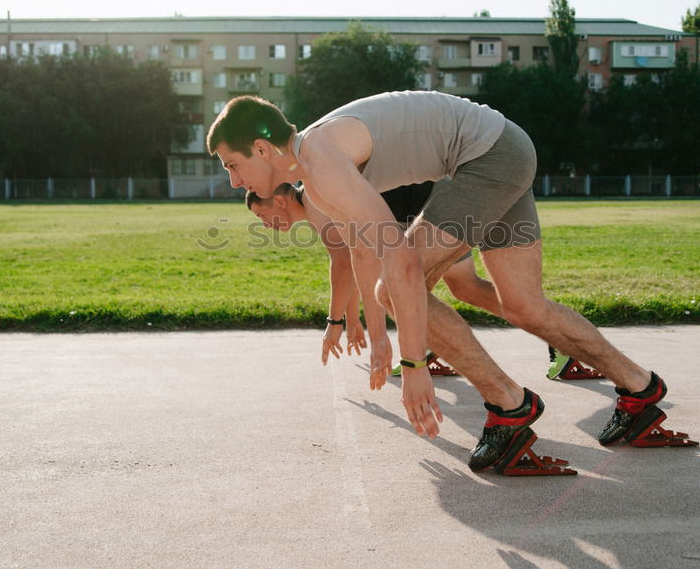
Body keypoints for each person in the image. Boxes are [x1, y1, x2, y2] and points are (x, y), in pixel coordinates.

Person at [208, 90, 670, 473]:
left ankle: (510, 406)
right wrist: (381, 341)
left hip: (489, 160)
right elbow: (364, 251)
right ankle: (639, 387)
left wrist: (414, 366)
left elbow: (400, 264)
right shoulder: (316, 166)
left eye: (232, 164)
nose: (233, 181)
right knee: (525, 306)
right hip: (504, 149)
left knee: (398, 287)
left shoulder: (320, 160)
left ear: (263, 149)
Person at [246, 180, 595, 379]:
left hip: (432, 204)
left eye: (263, 214)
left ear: (279, 199)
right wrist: (352, 320)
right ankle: (560, 339)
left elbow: (346, 264)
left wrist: (338, 322)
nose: (265, 224)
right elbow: (354, 264)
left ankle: (560, 338)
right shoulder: (318, 199)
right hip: (429, 203)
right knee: (465, 287)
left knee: (406, 289)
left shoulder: (317, 202)